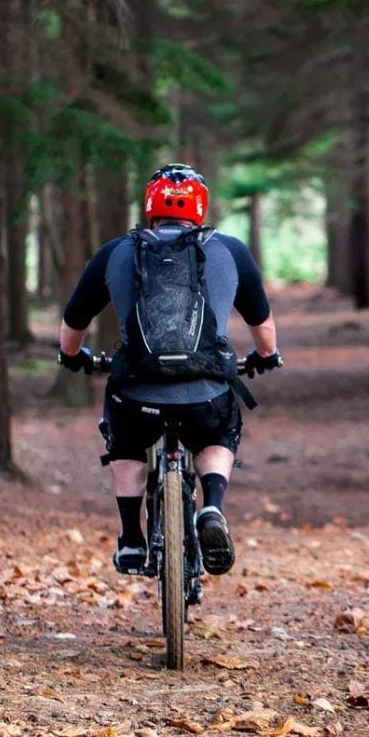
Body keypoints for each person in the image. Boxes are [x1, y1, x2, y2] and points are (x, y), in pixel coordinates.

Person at [56, 163, 282, 576]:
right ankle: (211, 506)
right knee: (220, 430)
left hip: (136, 394)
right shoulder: (229, 250)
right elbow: (262, 328)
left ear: (149, 206)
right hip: (206, 394)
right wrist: (266, 356)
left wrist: (73, 356)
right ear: (200, 206)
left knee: (124, 437)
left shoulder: (118, 251)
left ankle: (130, 538)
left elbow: (73, 324)